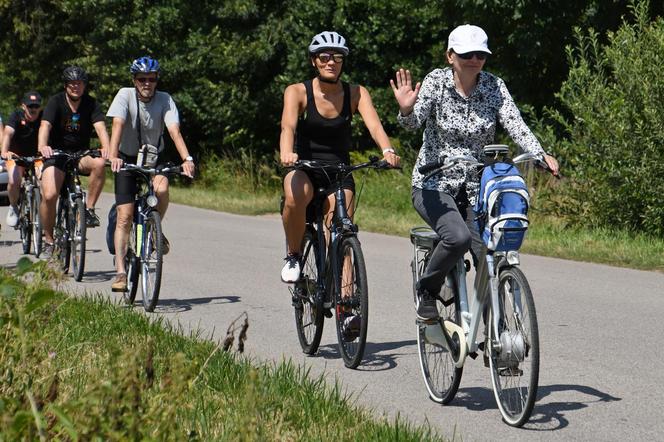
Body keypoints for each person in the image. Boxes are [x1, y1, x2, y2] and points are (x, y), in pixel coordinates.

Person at [391, 24, 560, 320]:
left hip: (475, 186)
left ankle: (498, 337)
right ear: (450, 56)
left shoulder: (494, 87)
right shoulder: (436, 82)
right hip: (433, 182)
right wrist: (406, 109)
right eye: (467, 53)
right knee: (457, 238)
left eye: (480, 54)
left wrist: (540, 153)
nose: (474, 59)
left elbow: (516, 124)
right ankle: (427, 289)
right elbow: (413, 123)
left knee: (488, 256)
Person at [280, 30, 401, 284]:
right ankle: (293, 254)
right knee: (294, 196)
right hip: (305, 167)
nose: (330, 62)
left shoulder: (356, 93)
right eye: (324, 57)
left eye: (337, 57)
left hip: (339, 171)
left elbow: (375, 127)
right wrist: (286, 152)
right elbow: (287, 127)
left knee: (341, 231)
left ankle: (347, 309)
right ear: (314, 61)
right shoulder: (297, 92)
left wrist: (387, 151)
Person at [107, 56, 195, 292]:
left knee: (162, 188)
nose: (147, 83)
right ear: (134, 80)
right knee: (124, 216)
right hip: (125, 158)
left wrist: (187, 159)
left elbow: (174, 131)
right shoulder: (124, 95)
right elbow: (117, 125)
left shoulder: (165, 99)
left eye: (151, 79)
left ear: (157, 80)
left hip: (155, 157)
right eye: (142, 79)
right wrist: (113, 155)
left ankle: (155, 230)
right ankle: (120, 273)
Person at [38, 66, 110, 258]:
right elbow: (45, 125)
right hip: (57, 154)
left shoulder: (91, 103)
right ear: (66, 86)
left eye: (79, 83)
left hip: (80, 153)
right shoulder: (55, 102)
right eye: (72, 84)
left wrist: (107, 148)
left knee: (100, 164)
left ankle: (89, 209)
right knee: (50, 195)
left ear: (84, 85)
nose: (75, 87)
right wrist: (43, 146)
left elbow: (101, 128)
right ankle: (48, 239)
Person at [1, 91, 42, 228]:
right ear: (23, 106)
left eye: (36, 106)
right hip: (16, 155)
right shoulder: (16, 116)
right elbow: (7, 133)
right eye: (30, 106)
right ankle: (13, 206)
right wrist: (5, 152)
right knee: (14, 181)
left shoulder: (43, 118)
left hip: (37, 156)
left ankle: (42, 214)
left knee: (45, 179)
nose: (33, 109)